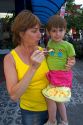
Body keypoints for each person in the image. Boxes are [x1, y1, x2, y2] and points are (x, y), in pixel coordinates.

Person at [4, 10, 75, 125]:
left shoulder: (43, 51)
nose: (40, 34)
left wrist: (70, 64)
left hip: (53, 105)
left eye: (40, 30)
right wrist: (33, 68)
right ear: (21, 33)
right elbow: (14, 96)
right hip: (32, 112)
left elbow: (58, 65)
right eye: (34, 31)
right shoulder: (10, 59)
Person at [42, 15, 76, 125]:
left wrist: (71, 63)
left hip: (62, 75)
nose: (57, 34)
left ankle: (53, 120)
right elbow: (49, 54)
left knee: (50, 97)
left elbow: (72, 60)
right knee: (58, 100)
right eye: (54, 31)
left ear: (65, 30)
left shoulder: (68, 46)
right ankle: (64, 121)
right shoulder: (50, 43)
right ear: (48, 32)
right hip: (52, 74)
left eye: (60, 30)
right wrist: (44, 53)